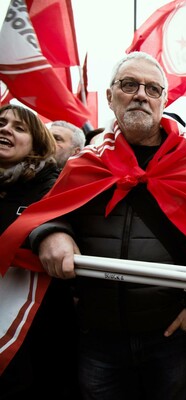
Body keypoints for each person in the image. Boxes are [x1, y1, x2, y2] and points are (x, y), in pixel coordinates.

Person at [0, 52, 186, 400]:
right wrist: (51, 234)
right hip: (98, 337)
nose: (140, 95)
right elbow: (50, 212)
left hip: (170, 336)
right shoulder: (85, 164)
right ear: (110, 97)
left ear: (164, 100)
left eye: (152, 88)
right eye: (129, 84)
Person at [0, 104, 80, 399]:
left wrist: (52, 232)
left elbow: (54, 215)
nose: (6, 129)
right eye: (2, 122)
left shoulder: (54, 184)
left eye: (19, 128)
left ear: (36, 144)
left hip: (37, 336)